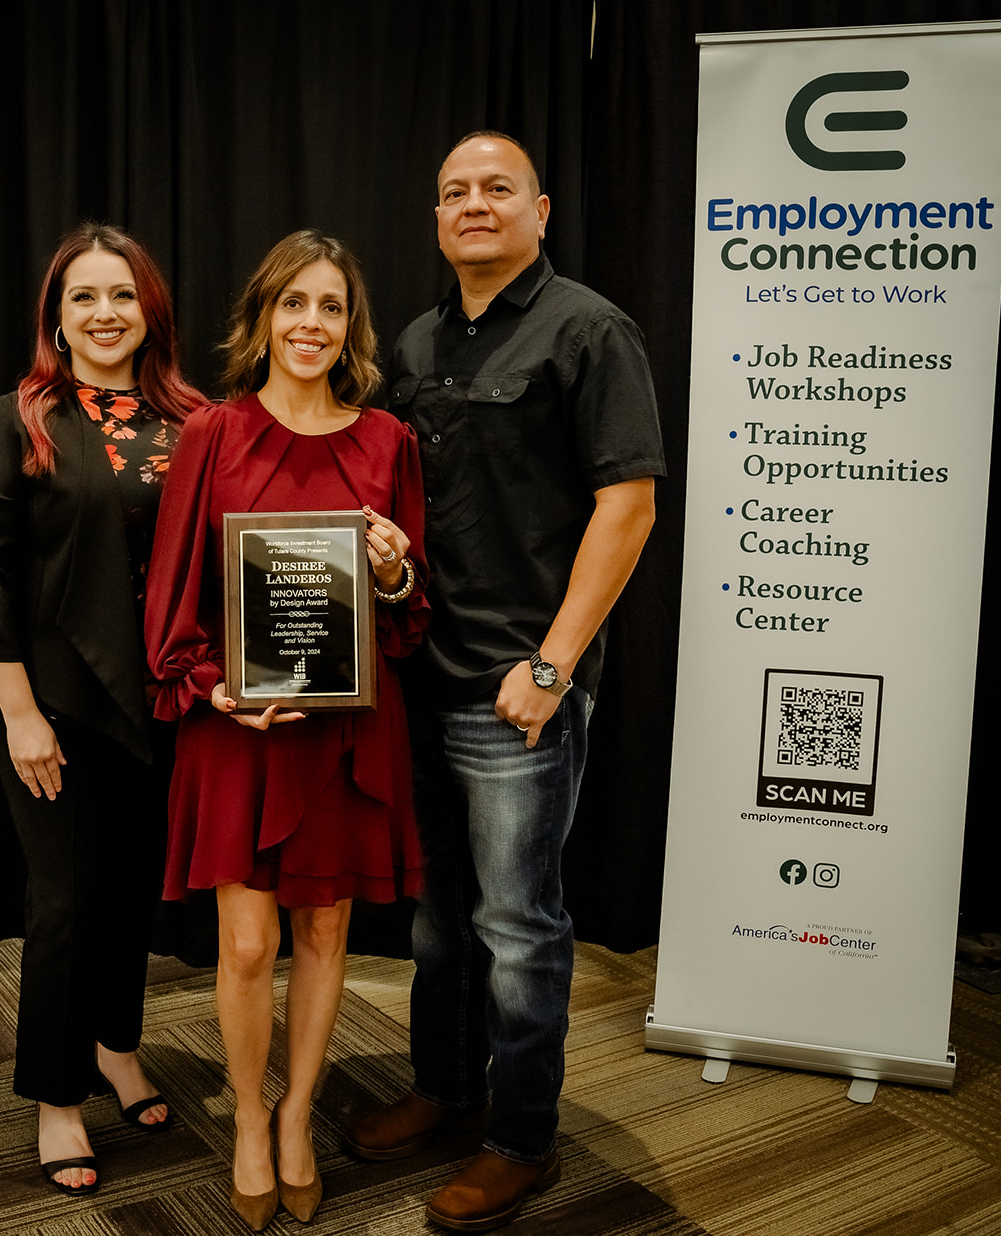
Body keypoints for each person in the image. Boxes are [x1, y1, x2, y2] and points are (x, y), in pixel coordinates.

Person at [343, 132, 666, 1231]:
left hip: (518, 690)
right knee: (440, 921)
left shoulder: (589, 329)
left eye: (494, 189)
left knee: (519, 927)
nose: (472, 205)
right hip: (422, 679)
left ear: (536, 208)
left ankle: (520, 1139)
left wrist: (552, 665)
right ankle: (444, 1089)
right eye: (452, 193)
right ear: (435, 221)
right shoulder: (419, 342)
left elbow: (628, 508)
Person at [145, 230, 428, 1231]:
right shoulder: (214, 434)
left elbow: (402, 615)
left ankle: (299, 1115)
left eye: (332, 307)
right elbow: (174, 591)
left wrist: (390, 567)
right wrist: (212, 687)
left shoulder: (387, 441)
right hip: (237, 727)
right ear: (264, 316)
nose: (312, 323)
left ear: (350, 327)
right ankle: (249, 1125)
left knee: (323, 932)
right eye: (294, 304)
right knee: (245, 944)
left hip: (344, 738)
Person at [0, 222, 203, 1196]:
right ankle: (58, 1098)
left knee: (131, 894)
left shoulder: (189, 417)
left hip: (161, 704)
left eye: (121, 296)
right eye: (83, 298)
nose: (104, 314)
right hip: (50, 704)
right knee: (63, 906)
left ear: (150, 312)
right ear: (56, 317)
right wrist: (19, 715)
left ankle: (113, 1046)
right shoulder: (18, 420)